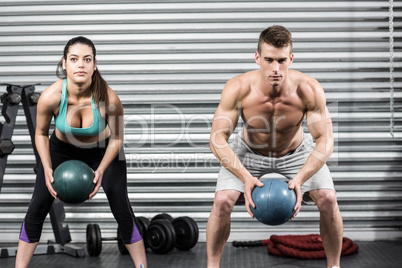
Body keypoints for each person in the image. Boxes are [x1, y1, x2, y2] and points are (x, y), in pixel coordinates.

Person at [207, 25, 343, 268]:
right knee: (222, 201)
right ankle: (212, 266)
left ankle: (334, 266)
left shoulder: (308, 89)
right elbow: (217, 139)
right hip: (249, 151)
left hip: (296, 152)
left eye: (282, 60)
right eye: (269, 60)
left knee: (329, 199)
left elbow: (325, 140)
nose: (276, 69)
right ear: (257, 57)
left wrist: (301, 178)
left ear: (291, 58)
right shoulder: (238, 88)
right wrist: (245, 177)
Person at [15, 36, 147, 268]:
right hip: (61, 150)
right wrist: (46, 166)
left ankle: (142, 266)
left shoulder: (109, 98)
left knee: (122, 208)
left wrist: (101, 170)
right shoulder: (51, 97)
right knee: (37, 206)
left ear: (95, 64)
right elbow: (40, 134)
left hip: (103, 151)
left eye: (87, 59)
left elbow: (117, 138)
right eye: (74, 59)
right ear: (64, 63)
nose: (81, 65)